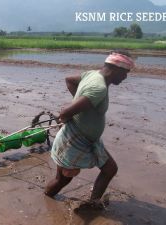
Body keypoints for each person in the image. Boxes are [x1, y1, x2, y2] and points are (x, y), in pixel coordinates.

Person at [45, 50, 135, 210]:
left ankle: (94, 202)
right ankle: (47, 198)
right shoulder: (98, 87)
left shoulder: (92, 74)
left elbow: (70, 80)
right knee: (62, 180)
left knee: (110, 169)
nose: (125, 78)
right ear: (117, 69)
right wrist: (69, 116)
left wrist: (81, 104)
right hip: (74, 140)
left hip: (89, 139)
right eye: (125, 73)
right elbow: (65, 113)